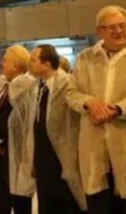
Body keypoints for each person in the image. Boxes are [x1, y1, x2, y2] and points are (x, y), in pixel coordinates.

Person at [66, 5, 126, 214]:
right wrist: (90, 103)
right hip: (95, 149)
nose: (118, 31)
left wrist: (118, 109)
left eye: (122, 25)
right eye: (111, 27)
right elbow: (71, 92)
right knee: (99, 203)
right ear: (99, 31)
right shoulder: (85, 59)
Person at [27, 44, 86, 214]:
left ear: (46, 64)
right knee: (46, 204)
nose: (29, 64)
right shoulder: (37, 87)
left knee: (67, 203)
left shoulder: (67, 84)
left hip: (62, 157)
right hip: (42, 158)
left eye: (33, 60)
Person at [0, 45, 36, 214]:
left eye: (5, 60)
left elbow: (21, 124)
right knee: (0, 204)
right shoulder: (4, 85)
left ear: (15, 65)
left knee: (20, 203)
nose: (1, 63)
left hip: (17, 157)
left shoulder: (27, 87)